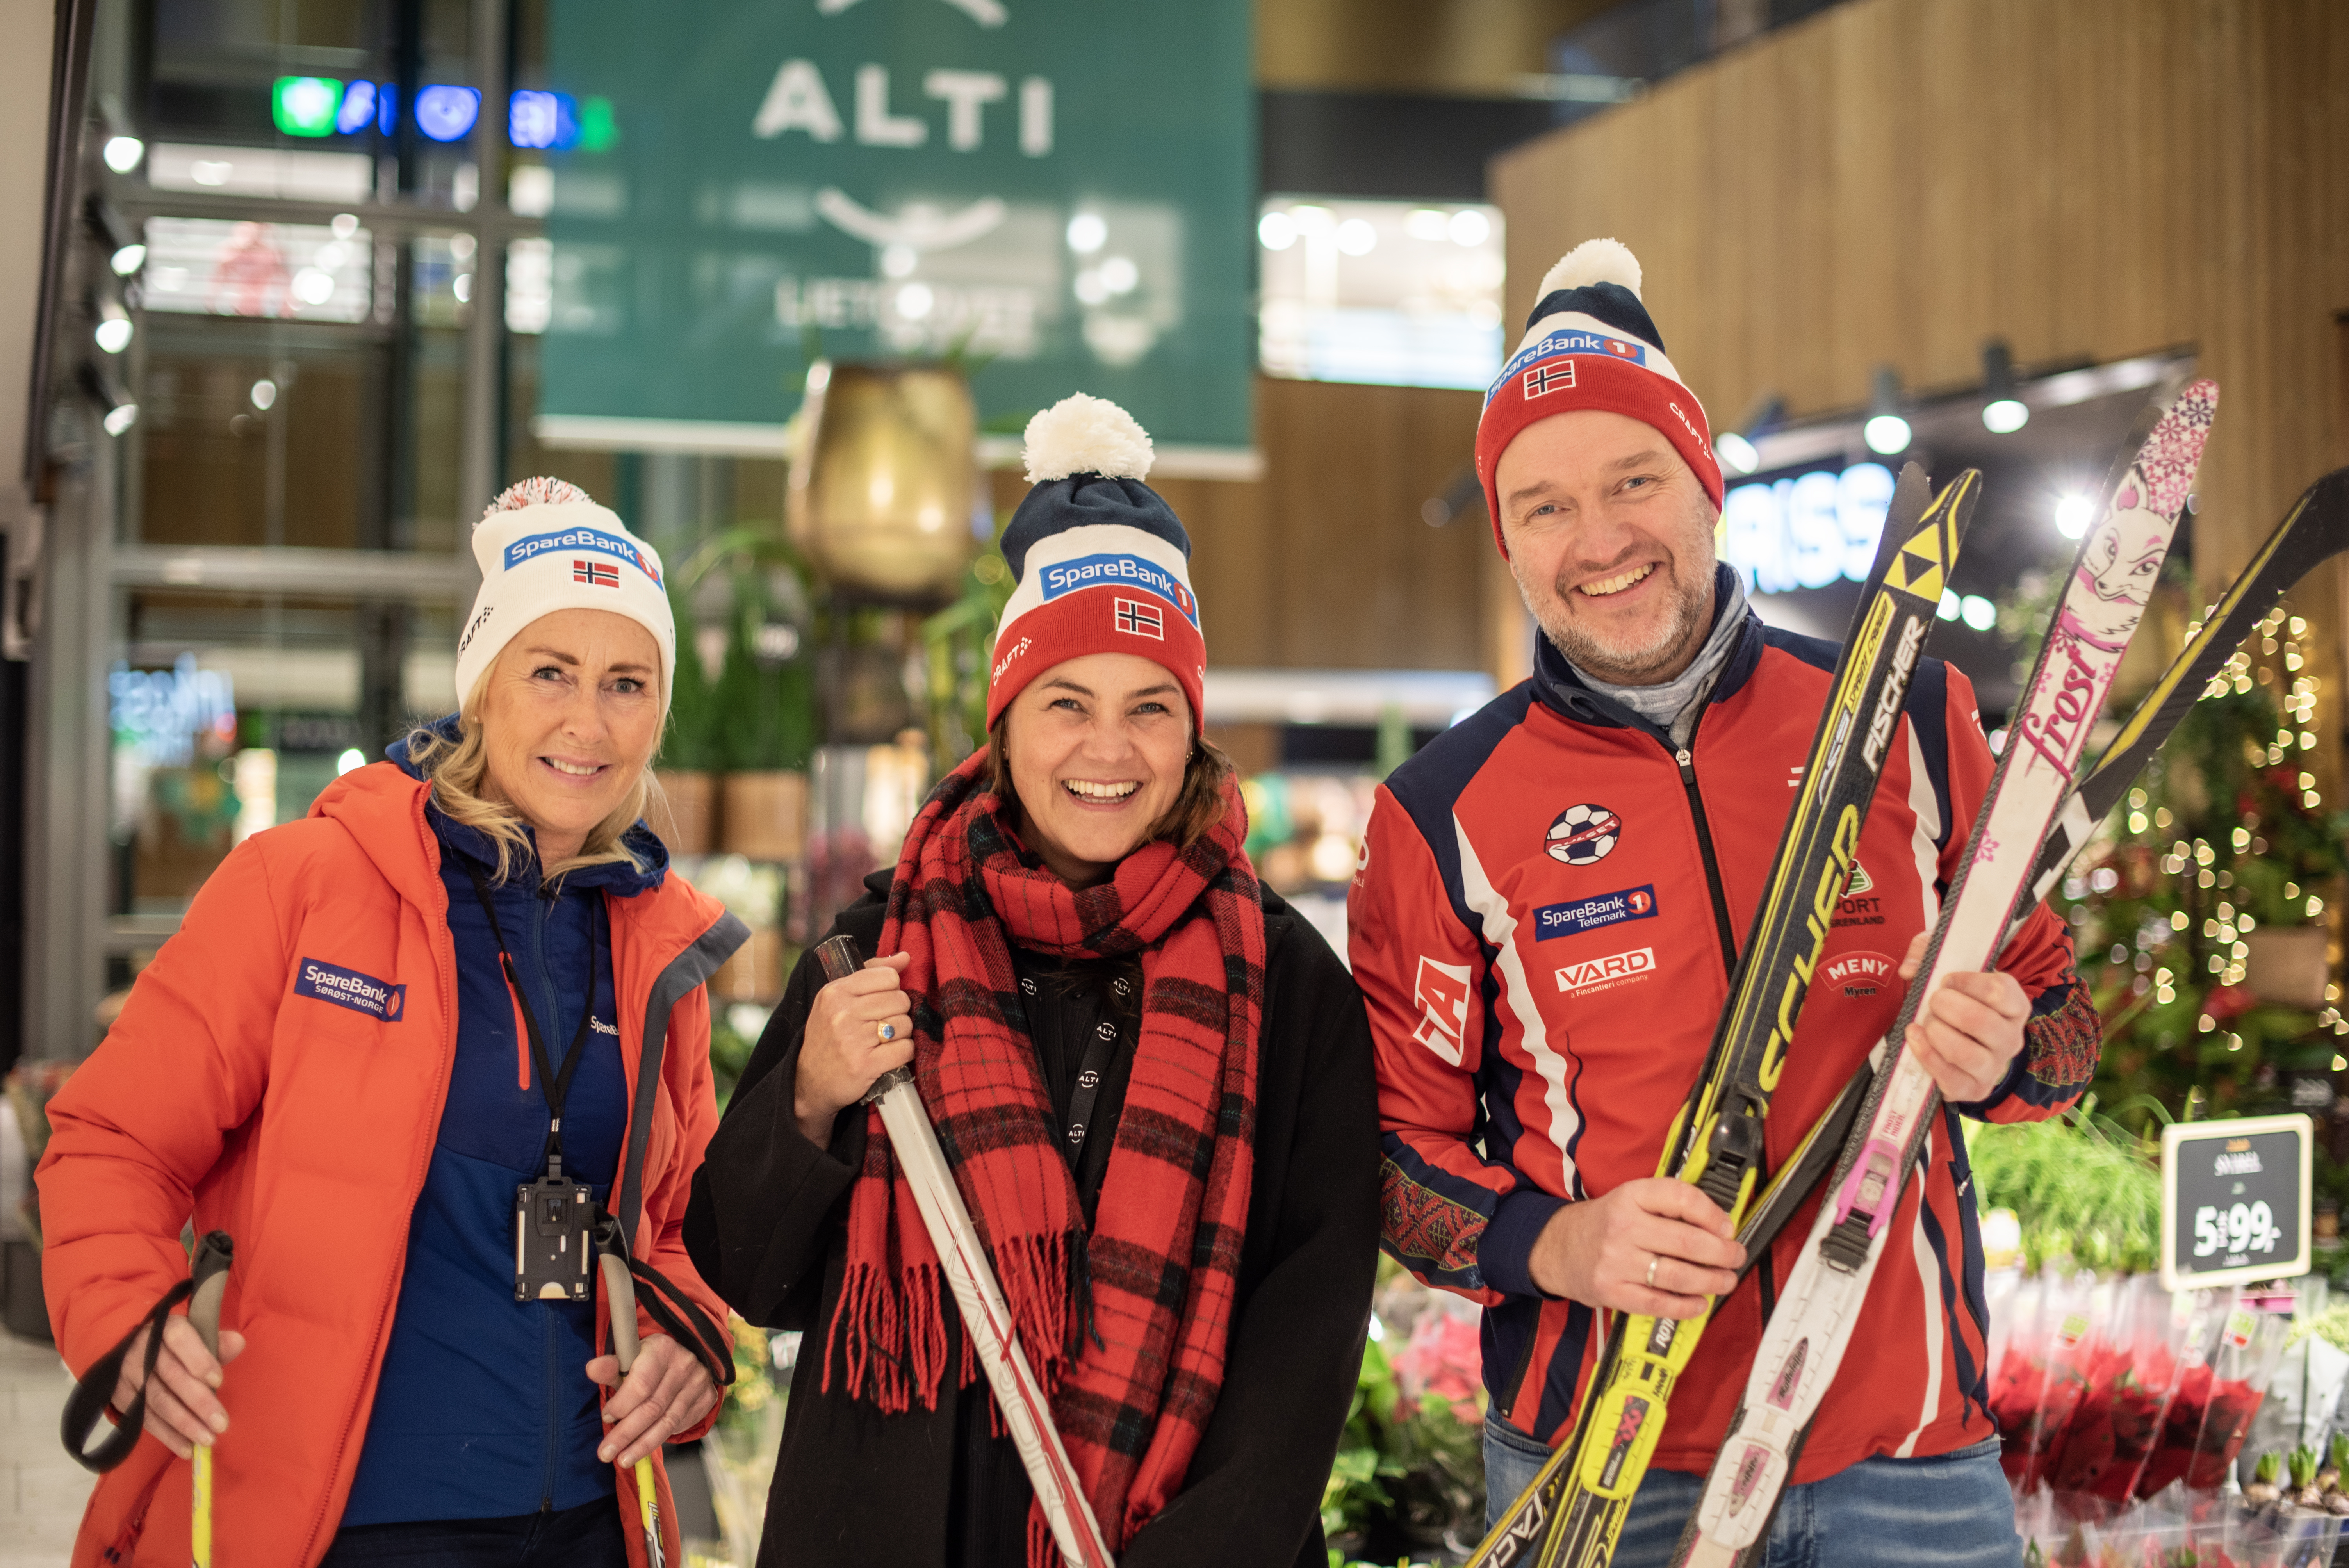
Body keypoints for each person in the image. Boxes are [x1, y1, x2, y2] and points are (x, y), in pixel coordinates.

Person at [1351, 240, 2098, 1568]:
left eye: (1634, 481)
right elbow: (1393, 1159)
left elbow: (2060, 1025)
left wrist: (2006, 1057)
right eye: (1544, 507)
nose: (1601, 543)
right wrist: (1558, 1243)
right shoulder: (1441, 809)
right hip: (1604, 1465)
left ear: (1703, 483)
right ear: (1508, 538)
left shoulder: (1909, 714)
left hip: (1908, 1456)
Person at [685, 394, 1379, 1568]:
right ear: (1004, 726)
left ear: (1193, 733)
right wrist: (811, 1094)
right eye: (1067, 704)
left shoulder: (1285, 980)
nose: (1107, 752)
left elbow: (1309, 1327)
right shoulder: (875, 952)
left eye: (1149, 709)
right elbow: (747, 1273)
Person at [39, 478, 742, 1568]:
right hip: (338, 1520)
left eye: (626, 683)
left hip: (588, 1526)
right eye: (548, 671)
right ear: (482, 689)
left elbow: (689, 1224)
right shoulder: (307, 883)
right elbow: (113, 1138)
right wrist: (125, 1312)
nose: (585, 721)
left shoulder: (662, 951)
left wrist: (692, 1345)